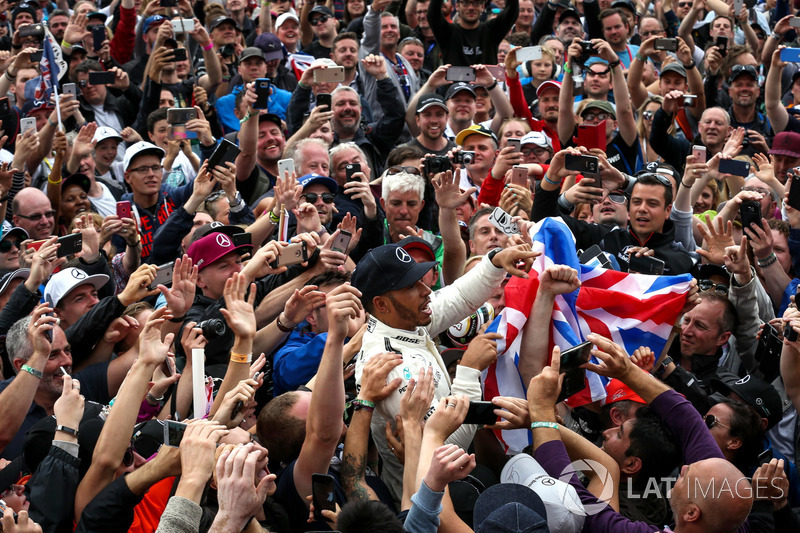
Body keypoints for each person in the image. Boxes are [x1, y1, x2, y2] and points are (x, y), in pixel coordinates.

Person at [351, 241, 537, 499]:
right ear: (382, 304)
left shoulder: (403, 320)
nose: (426, 290)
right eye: (412, 286)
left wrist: (495, 262)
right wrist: (469, 371)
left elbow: (459, 296)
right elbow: (442, 450)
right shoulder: (388, 367)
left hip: (453, 483)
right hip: (426, 503)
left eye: (421, 279)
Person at [427, 0, 519, 66]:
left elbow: (512, 10)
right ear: (457, 6)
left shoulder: (491, 31)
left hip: (486, 91)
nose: (471, 8)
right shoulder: (447, 32)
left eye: (476, 3)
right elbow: (433, 13)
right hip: (456, 92)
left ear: (482, 7)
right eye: (466, 3)